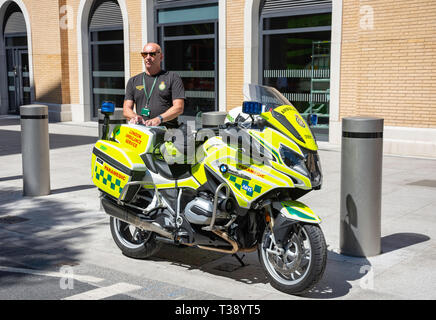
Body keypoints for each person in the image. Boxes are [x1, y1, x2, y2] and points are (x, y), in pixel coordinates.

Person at [123, 42, 185, 128]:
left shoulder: (173, 78)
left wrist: (159, 119)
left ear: (161, 57)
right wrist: (135, 117)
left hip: (167, 132)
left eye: (152, 54)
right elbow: (126, 109)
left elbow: (179, 107)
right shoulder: (133, 81)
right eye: (145, 54)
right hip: (143, 131)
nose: (148, 57)